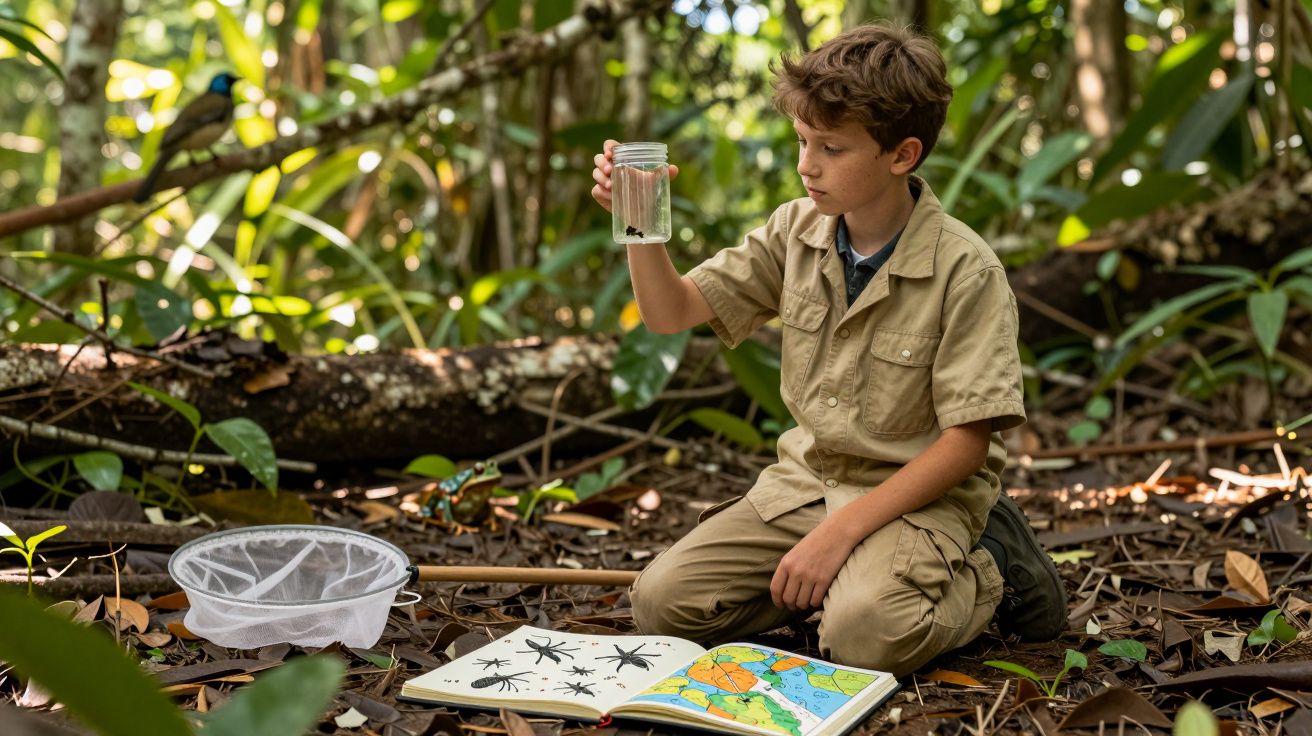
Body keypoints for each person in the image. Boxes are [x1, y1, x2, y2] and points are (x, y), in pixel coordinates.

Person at [589, 23, 1066, 676]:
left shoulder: (965, 269)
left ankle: (993, 564)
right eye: (803, 142)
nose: (806, 165)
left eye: (831, 148)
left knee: (865, 638)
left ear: (902, 155)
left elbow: (966, 445)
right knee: (662, 604)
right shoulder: (796, 230)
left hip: (918, 497)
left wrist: (834, 539)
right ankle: (841, 584)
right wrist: (638, 223)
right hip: (809, 485)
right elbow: (670, 313)